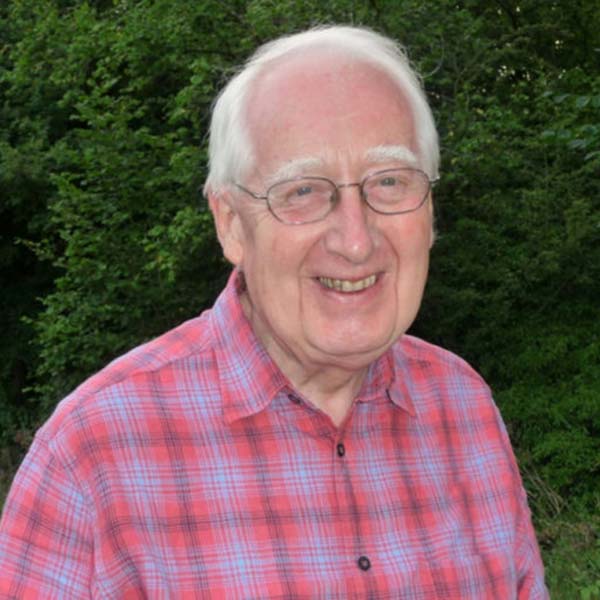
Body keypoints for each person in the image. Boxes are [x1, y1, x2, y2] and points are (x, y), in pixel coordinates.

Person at [0, 25, 548, 598]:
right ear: (231, 224)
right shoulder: (92, 457)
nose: (356, 241)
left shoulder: (465, 410)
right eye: (303, 192)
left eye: (389, 181)